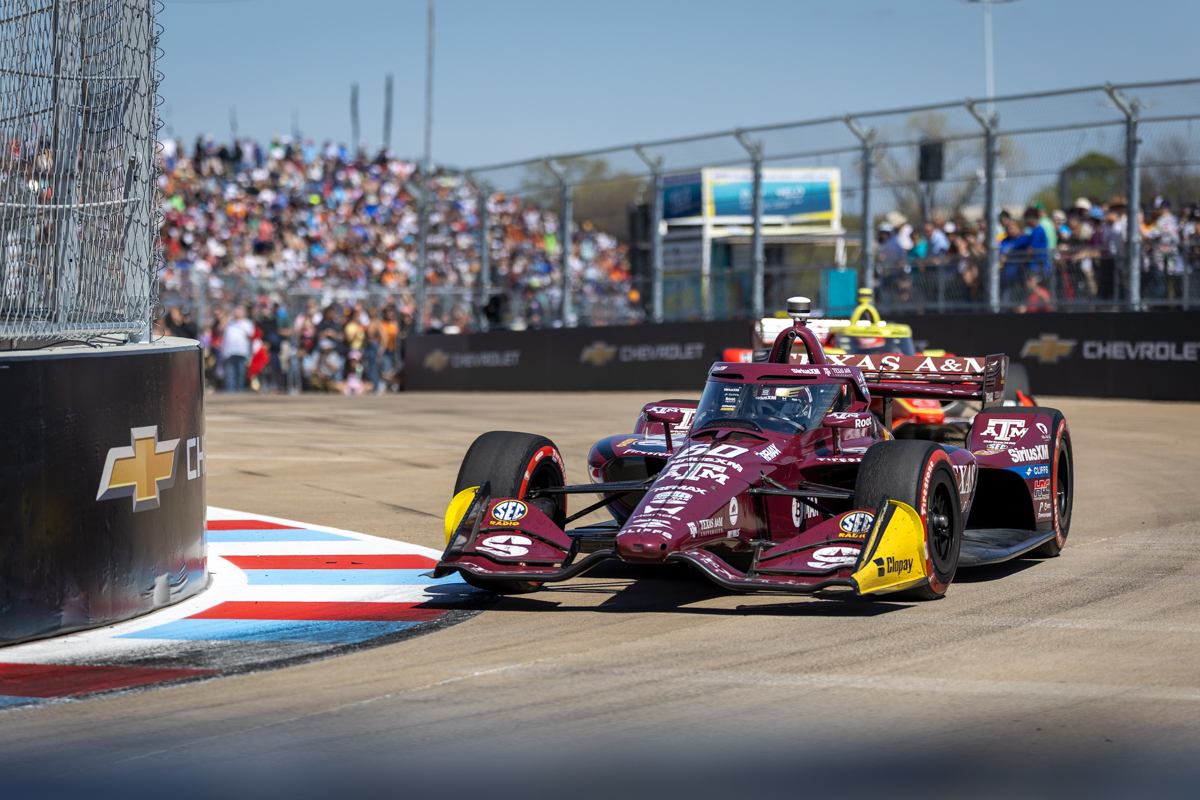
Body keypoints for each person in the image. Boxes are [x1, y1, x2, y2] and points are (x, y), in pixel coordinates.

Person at [221, 305, 255, 392]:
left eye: (239, 311)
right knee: (230, 374)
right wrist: (227, 317)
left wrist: (251, 354)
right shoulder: (230, 322)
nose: (237, 313)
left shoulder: (247, 323)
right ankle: (230, 393)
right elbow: (220, 329)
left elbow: (251, 337)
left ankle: (240, 392)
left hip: (242, 352)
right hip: (229, 352)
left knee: (241, 374)